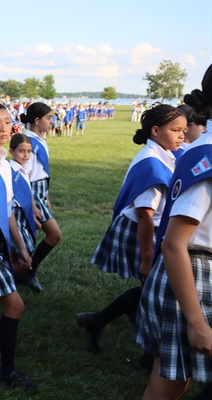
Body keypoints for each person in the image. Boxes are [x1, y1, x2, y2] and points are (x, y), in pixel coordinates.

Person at [76, 104, 186, 359]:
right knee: (153, 288)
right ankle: (146, 352)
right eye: (175, 130)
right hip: (142, 231)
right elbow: (145, 216)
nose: (182, 135)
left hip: (151, 230)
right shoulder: (152, 165)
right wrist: (146, 259)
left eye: (183, 130)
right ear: (156, 130)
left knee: (150, 289)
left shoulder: (163, 154)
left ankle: (98, 321)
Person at [136, 65, 212, 400]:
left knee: (174, 381)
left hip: (196, 273)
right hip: (191, 276)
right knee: (170, 383)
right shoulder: (206, 156)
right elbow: (175, 244)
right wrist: (196, 322)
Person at [0, 103, 36, 389]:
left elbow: (7, 211)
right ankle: (7, 371)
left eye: (7, 122)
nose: (4, 128)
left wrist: (21, 248)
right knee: (14, 305)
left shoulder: (4, 163)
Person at [18, 102, 62, 293]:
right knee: (54, 235)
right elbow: (24, 174)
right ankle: (27, 271)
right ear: (37, 120)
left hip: (40, 192)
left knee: (32, 237)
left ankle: (25, 271)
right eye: (48, 118)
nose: (52, 121)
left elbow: (41, 172)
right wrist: (33, 203)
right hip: (31, 193)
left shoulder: (40, 140)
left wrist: (46, 195)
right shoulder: (27, 142)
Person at [9, 134, 39, 259]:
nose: (26, 155)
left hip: (24, 215)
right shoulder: (9, 170)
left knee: (28, 247)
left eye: (28, 151)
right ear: (11, 151)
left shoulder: (25, 169)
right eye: (21, 151)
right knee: (16, 250)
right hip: (15, 215)